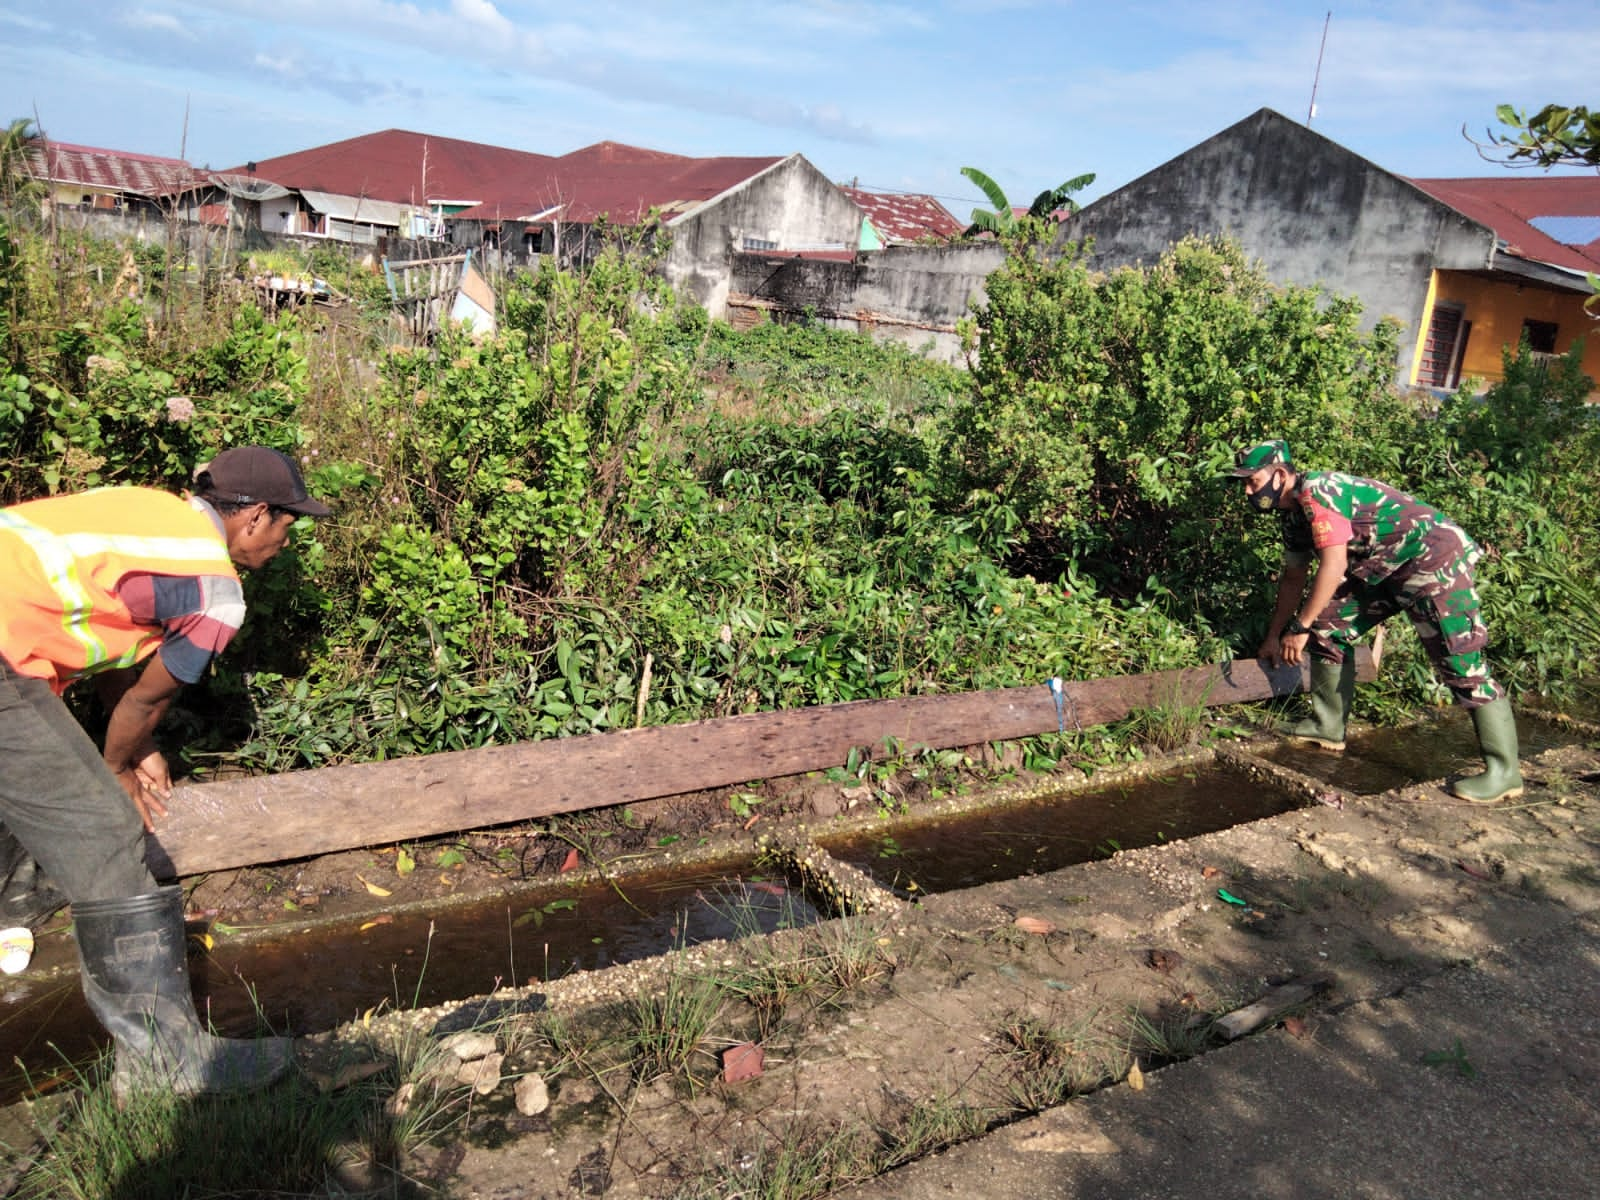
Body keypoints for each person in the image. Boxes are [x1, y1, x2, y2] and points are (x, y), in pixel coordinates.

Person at [0, 445, 332, 1098]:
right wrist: (116, 766)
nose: (286, 543)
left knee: (35, 788)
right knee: (105, 833)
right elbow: (147, 699)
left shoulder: (152, 514)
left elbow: (108, 635)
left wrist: (135, 746)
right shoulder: (217, 590)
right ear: (256, 517)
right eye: (288, 526)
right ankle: (166, 1064)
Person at [1225, 438, 1522, 805]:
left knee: (1457, 658)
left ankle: (1504, 771)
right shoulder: (1292, 517)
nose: (1248, 492)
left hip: (1431, 559)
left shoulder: (1319, 493)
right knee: (1328, 628)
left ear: (1280, 474)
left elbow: (1333, 567)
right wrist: (1276, 635)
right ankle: (1328, 726)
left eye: (1252, 481)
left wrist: (1298, 627)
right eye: (1244, 484)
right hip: (1385, 568)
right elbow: (1293, 578)